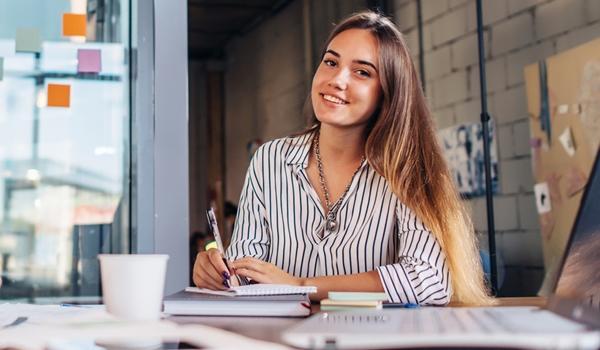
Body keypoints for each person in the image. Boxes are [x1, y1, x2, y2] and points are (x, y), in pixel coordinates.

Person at [193, 11, 491, 306]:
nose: (336, 79)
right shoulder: (268, 160)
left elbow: (428, 280)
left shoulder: (406, 168)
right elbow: (248, 272)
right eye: (331, 62)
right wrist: (220, 273)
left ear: (388, 92)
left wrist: (302, 286)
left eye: (362, 72)